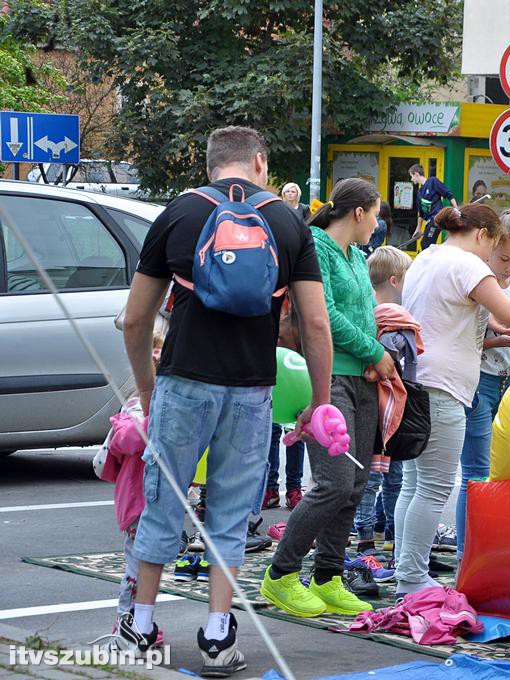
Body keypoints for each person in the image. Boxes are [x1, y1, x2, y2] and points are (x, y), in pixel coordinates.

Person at [122, 126, 332, 676]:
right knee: (233, 511)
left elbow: (136, 319)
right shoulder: (288, 222)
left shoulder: (179, 214)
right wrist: (321, 401)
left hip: (183, 380)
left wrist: (149, 391)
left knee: (165, 496)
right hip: (251, 387)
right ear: (260, 163)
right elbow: (313, 322)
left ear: (212, 165)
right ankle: (218, 636)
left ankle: (140, 624)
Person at [261, 177, 396, 619]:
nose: (377, 225)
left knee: (354, 486)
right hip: (329, 379)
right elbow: (327, 317)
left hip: (361, 381)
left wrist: (375, 358)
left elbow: (362, 314)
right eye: (375, 215)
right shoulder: (316, 247)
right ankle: (280, 575)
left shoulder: (357, 256)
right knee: (334, 483)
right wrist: (375, 351)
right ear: (358, 213)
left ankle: (328, 576)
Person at [394, 204, 510, 597]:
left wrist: (497, 330)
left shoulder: (428, 256)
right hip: (443, 388)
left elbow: (454, 314)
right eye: (496, 249)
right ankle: (412, 579)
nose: (495, 261)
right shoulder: (469, 265)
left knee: (413, 484)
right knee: (435, 488)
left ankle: (404, 570)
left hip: (415, 378)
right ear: (483, 236)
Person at [455, 211, 510, 559]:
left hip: (509, 382)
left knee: (501, 473)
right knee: (475, 474)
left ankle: (491, 546)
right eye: (504, 258)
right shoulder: (478, 278)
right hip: (479, 382)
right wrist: (503, 341)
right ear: (491, 247)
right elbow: (468, 339)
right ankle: (465, 551)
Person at [95, 327, 165, 639]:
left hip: (160, 500)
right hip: (139, 503)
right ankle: (127, 622)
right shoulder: (137, 406)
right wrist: (155, 421)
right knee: (137, 568)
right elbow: (123, 439)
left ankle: (141, 620)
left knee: (151, 564)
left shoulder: (173, 406)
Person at [351, 246, 414, 557]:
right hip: (383, 410)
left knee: (380, 474)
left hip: (377, 408)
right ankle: (374, 534)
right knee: (381, 475)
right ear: (395, 281)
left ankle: (380, 532)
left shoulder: (366, 315)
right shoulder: (391, 319)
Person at [263, 304, 306, 511]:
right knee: (271, 430)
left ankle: (294, 488)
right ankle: (270, 489)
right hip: (273, 374)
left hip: (297, 378)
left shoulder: (301, 308)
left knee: (296, 433)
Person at [409, 164, 458, 246]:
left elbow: (448, 194)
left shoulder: (433, 181)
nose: (411, 179)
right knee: (425, 243)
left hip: (437, 218)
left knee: (426, 243)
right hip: (429, 221)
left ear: (416, 174)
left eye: (411, 176)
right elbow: (421, 213)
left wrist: (456, 208)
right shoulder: (420, 192)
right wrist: (418, 228)